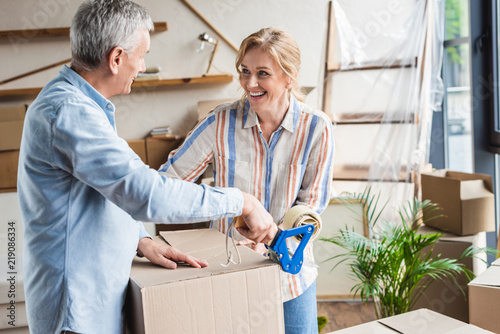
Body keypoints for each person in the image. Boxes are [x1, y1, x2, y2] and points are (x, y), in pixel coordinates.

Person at [17, 1, 276, 333]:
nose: (141, 67)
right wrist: (242, 201)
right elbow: (144, 192)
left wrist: (140, 240)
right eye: (141, 56)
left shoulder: (81, 106)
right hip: (77, 315)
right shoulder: (69, 114)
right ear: (116, 59)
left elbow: (107, 190)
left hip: (93, 304)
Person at [159, 27, 335, 333]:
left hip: (291, 276)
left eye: (262, 73)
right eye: (245, 71)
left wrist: (273, 240)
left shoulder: (316, 128)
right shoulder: (219, 122)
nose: (249, 83)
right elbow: (167, 183)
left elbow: (312, 206)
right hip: (229, 272)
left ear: (288, 77)